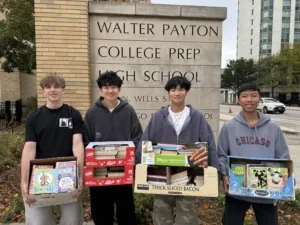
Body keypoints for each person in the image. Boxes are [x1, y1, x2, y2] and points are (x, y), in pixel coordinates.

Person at [136, 76, 220, 225]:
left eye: (181, 89)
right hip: (161, 175)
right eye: (173, 89)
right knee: (161, 216)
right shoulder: (158, 117)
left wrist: (215, 172)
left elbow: (210, 144)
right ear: (168, 92)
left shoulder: (197, 117)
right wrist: (139, 168)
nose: (177, 93)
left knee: (187, 217)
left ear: (186, 92)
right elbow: (146, 142)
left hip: (189, 176)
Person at [218, 83, 290, 225]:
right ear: (239, 100)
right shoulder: (229, 127)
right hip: (237, 188)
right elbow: (222, 155)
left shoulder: (273, 128)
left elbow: (283, 156)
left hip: (266, 191)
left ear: (259, 98)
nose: (249, 100)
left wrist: (284, 178)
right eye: (244, 96)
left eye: (253, 95)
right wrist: (224, 175)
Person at [20, 72, 85, 225]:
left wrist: (80, 176)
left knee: (72, 221)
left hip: (68, 174)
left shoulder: (73, 114)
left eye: (57, 86)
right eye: (48, 87)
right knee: (39, 222)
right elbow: (29, 149)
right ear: (43, 91)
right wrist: (24, 181)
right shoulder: (34, 117)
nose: (52, 90)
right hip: (40, 175)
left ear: (63, 89)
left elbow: (77, 145)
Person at [84, 71, 143, 225]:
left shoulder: (128, 111)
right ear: (100, 89)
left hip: (123, 170)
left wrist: (132, 161)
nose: (110, 90)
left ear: (119, 89)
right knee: (101, 211)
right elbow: (85, 141)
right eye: (106, 87)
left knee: (126, 210)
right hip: (99, 170)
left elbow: (138, 137)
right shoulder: (92, 113)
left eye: (114, 87)